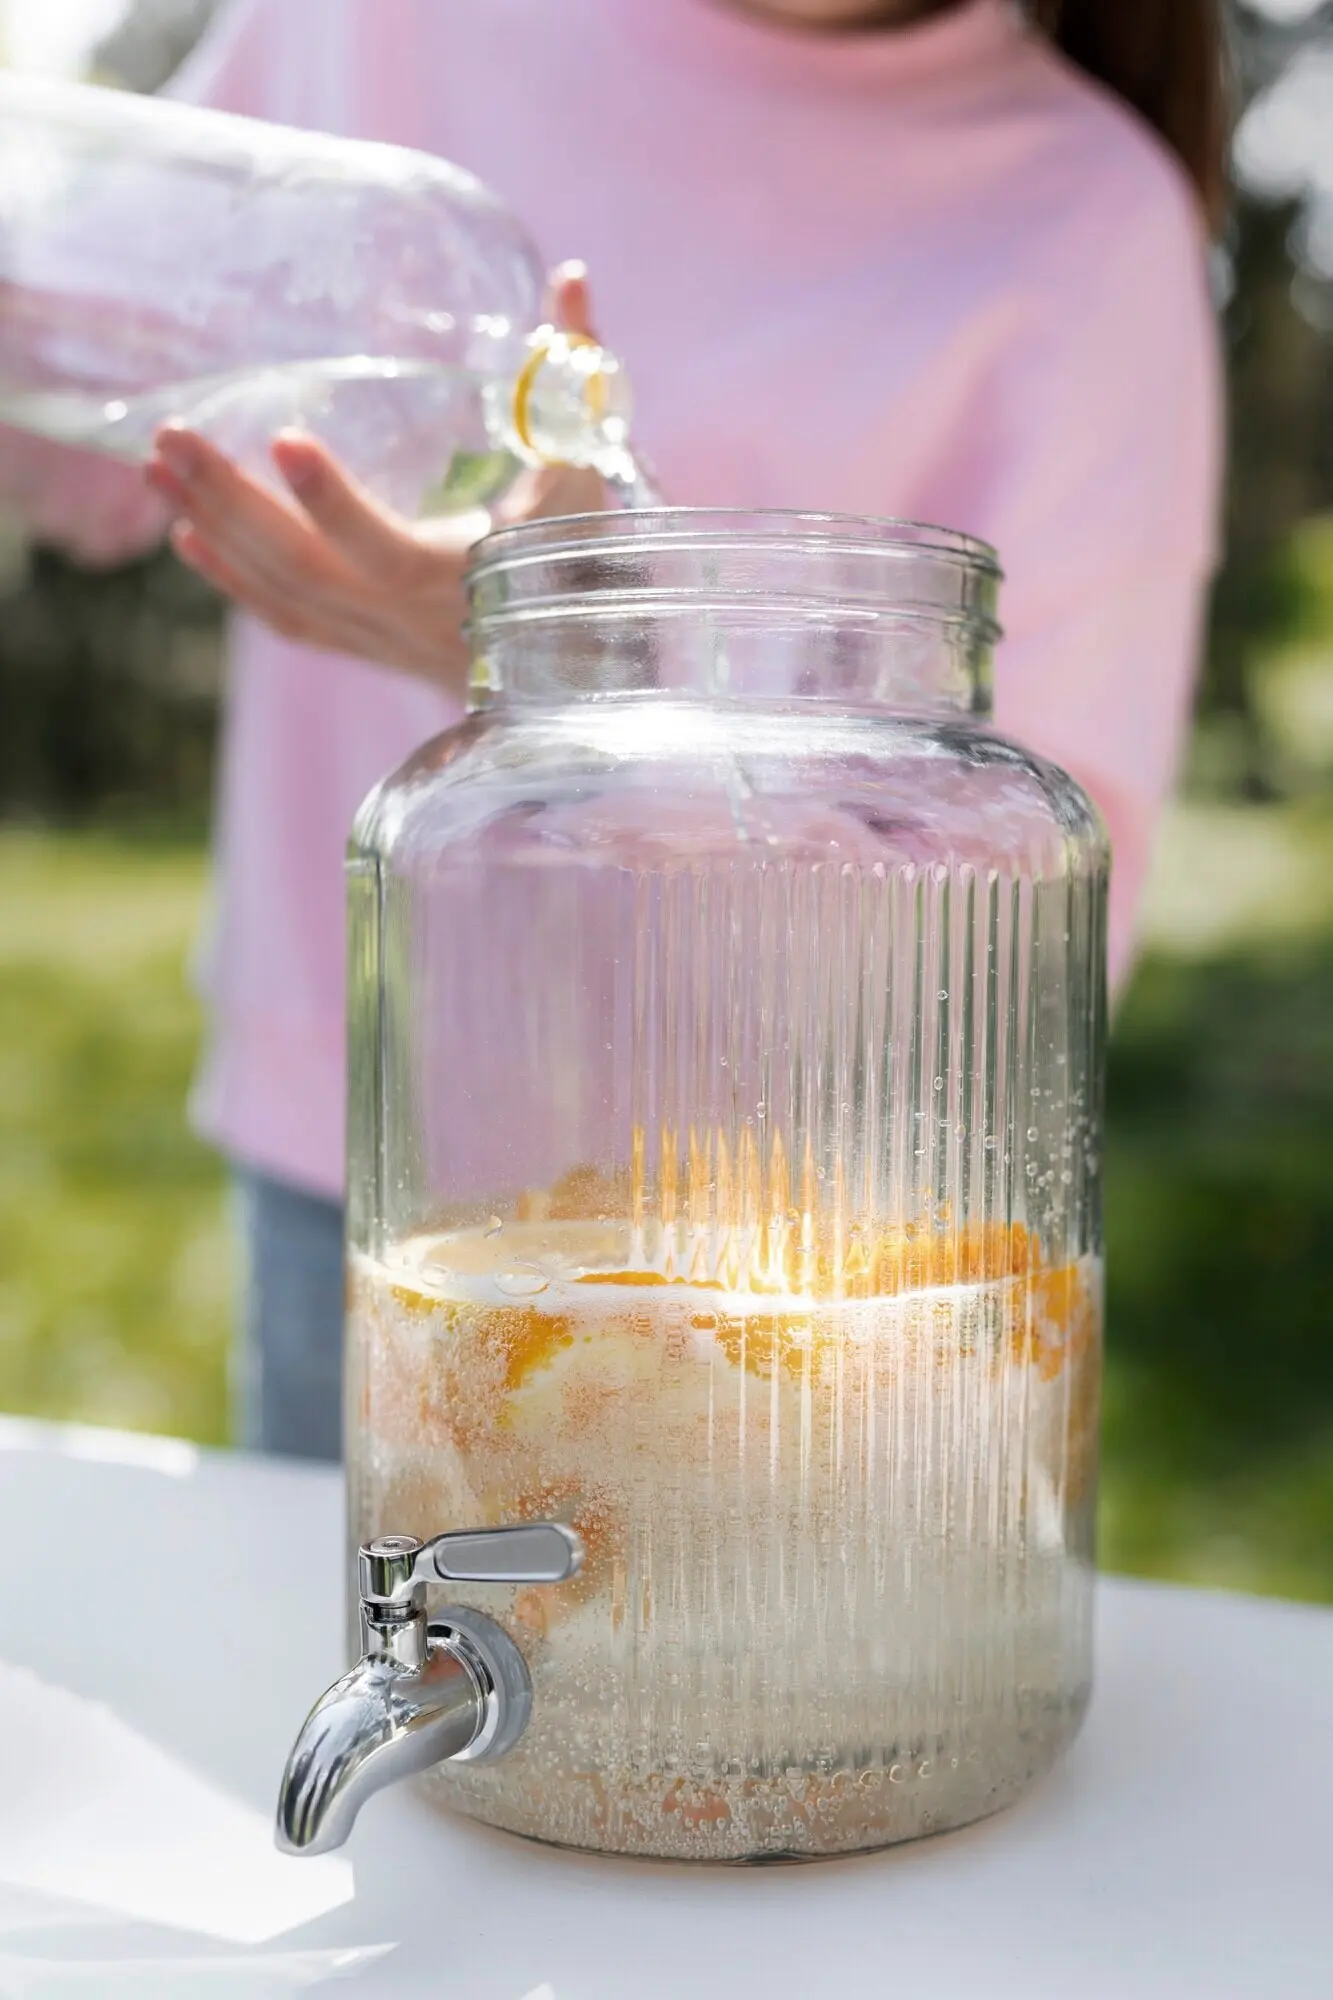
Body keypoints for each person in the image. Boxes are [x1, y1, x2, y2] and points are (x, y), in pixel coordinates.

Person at [136, 0, 1226, 1458]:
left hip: (797, 1265)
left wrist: (578, 691)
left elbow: (1026, 953)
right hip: (361, 1189)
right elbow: (94, 421)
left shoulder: (1091, 223)